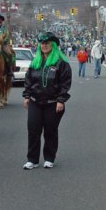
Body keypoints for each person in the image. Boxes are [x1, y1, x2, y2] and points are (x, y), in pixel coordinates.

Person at [22, 31, 72, 170]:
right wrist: (27, 96)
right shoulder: (35, 61)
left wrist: (61, 100)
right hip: (35, 101)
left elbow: (65, 83)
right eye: (42, 43)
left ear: (53, 45)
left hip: (53, 103)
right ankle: (32, 159)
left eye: (47, 43)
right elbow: (28, 80)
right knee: (33, 129)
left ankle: (49, 158)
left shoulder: (61, 63)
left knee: (50, 130)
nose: (44, 45)